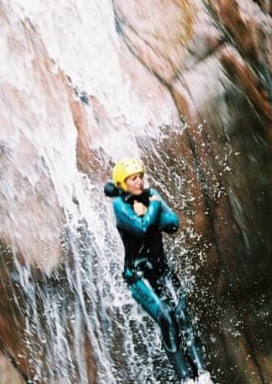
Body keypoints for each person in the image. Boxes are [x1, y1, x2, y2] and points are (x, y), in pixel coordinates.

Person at [105, 157, 208, 383]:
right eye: (133, 178)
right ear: (122, 183)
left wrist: (149, 211)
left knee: (182, 315)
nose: (139, 181)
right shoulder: (120, 206)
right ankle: (185, 378)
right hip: (138, 276)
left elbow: (173, 224)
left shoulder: (151, 197)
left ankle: (203, 374)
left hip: (161, 270)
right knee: (167, 319)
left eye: (140, 176)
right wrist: (153, 208)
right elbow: (141, 228)